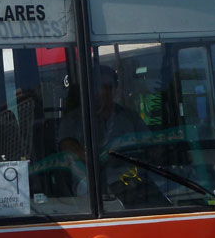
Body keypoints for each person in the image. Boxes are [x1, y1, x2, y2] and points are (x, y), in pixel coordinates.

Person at [58, 64, 150, 193]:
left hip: (131, 179)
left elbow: (150, 144)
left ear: (116, 90)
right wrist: (97, 157)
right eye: (102, 87)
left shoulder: (130, 118)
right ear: (91, 89)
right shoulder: (74, 119)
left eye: (110, 87)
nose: (106, 92)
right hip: (89, 184)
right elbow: (69, 148)